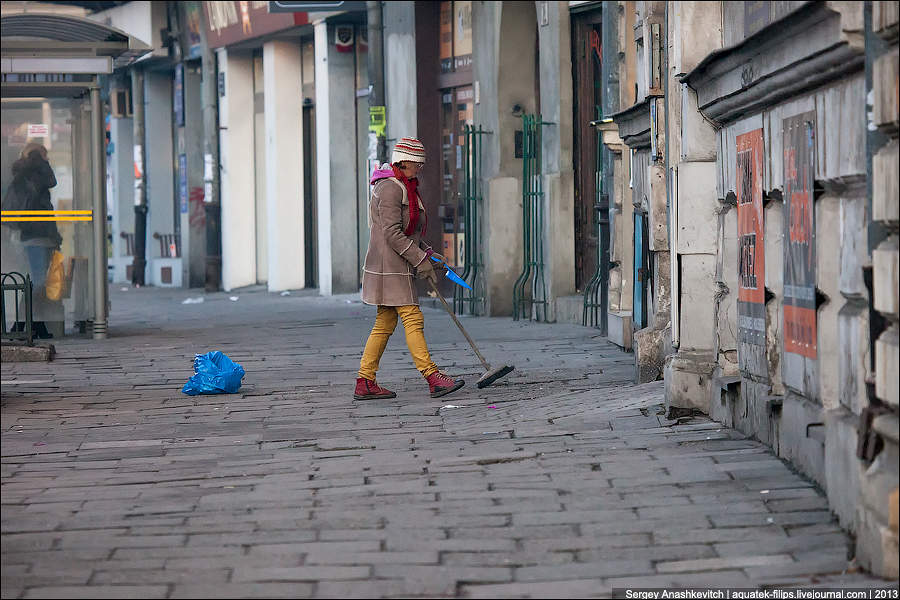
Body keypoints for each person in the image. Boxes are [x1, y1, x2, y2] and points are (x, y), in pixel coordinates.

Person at [355, 137, 465, 400]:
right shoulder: (390, 188)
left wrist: (427, 253)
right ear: (404, 161)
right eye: (417, 163)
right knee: (412, 317)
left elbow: (408, 231)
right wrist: (419, 260)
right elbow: (392, 233)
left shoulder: (404, 186)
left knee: (385, 321)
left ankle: (365, 380)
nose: (420, 168)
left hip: (395, 263)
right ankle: (432, 376)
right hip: (390, 266)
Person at [7, 143, 61, 339]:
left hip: (38, 237)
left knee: (35, 282)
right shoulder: (32, 174)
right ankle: (25, 323)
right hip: (35, 237)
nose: (47, 161)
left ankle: (29, 324)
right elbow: (51, 180)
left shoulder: (25, 175)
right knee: (36, 282)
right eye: (44, 156)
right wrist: (38, 158)